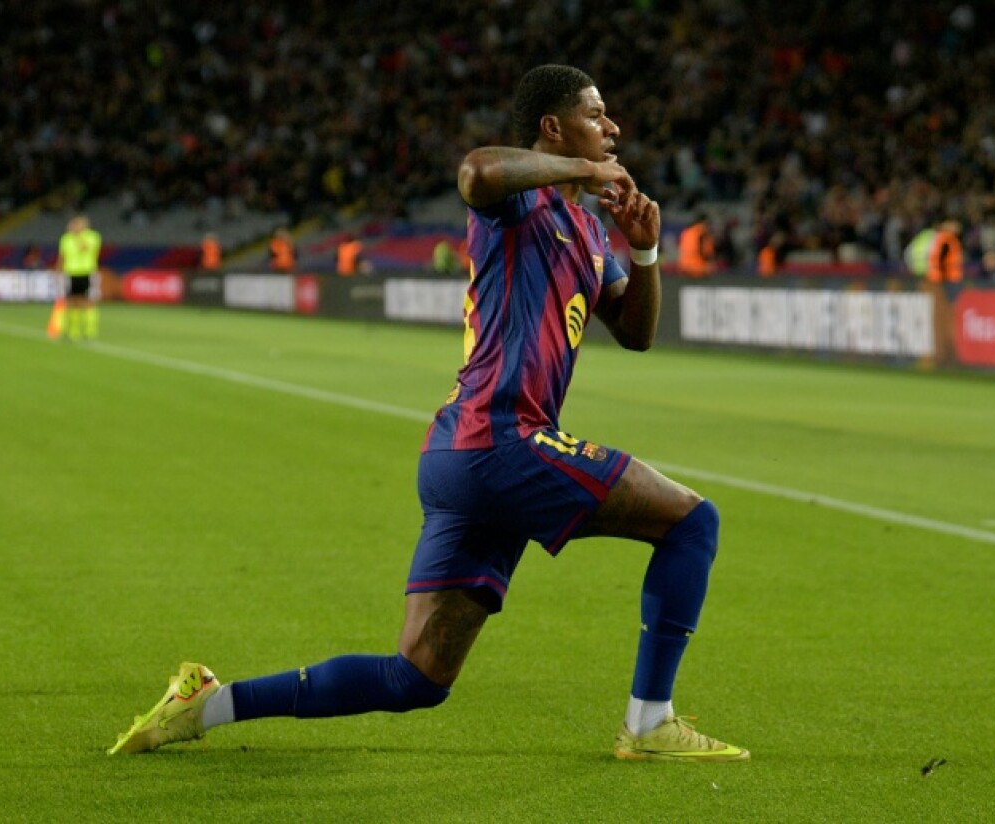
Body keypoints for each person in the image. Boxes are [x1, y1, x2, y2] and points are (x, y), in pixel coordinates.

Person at [108, 64, 747, 763]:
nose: (613, 127)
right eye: (598, 115)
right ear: (553, 128)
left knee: (415, 677)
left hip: (460, 456)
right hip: (505, 439)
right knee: (693, 522)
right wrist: (576, 169)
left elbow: (636, 330)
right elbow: (476, 171)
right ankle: (651, 723)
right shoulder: (518, 206)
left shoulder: (589, 234)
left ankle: (208, 702)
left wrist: (646, 249)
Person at [55, 215, 102, 340]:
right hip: (71, 272)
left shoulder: (93, 236)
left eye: (78, 225)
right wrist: (58, 270)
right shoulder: (65, 238)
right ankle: (73, 331)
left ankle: (90, 330)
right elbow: (62, 255)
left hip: (87, 272)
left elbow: (85, 249)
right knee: (73, 301)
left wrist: (78, 236)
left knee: (88, 301)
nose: (75, 227)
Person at [677, 211, 716, 277]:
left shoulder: (686, 232)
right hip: (698, 268)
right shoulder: (703, 232)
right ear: (705, 221)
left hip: (684, 267)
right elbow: (706, 252)